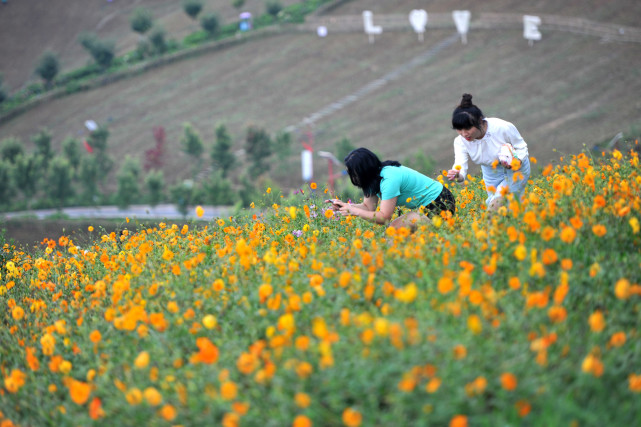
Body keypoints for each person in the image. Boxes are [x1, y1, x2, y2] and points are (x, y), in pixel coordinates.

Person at [327, 147, 455, 229]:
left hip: (440, 203)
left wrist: (353, 211)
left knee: (393, 231)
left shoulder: (388, 179)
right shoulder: (373, 179)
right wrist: (344, 206)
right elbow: (367, 207)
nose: (352, 178)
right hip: (426, 206)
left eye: (352, 174)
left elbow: (384, 217)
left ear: (363, 172)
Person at [446, 93, 530, 210]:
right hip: (491, 173)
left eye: (468, 128)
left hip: (516, 168)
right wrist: (457, 175)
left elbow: (521, 147)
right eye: (459, 129)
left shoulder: (502, 127)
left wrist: (517, 162)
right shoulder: (460, 142)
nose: (464, 134)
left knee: (495, 207)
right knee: (506, 207)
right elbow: (460, 167)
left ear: (480, 121)